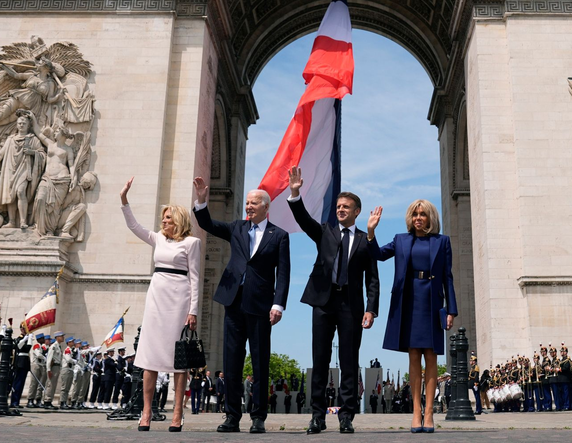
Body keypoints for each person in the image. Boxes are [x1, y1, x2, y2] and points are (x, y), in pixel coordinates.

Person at [193, 176, 291, 434]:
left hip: (261, 306)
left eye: (254, 203)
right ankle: (232, 417)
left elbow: (284, 273)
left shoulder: (279, 236)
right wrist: (202, 200)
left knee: (260, 363)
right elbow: (208, 224)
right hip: (233, 302)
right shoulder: (236, 228)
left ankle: (258, 417)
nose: (248, 206)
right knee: (232, 362)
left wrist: (278, 304)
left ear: (266, 207)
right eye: (247, 203)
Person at [286, 166, 380, 434]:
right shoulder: (325, 231)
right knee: (320, 359)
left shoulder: (365, 240)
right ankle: (317, 415)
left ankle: (346, 416)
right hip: (323, 304)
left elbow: (372, 278)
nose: (340, 210)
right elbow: (304, 220)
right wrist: (295, 194)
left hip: (351, 306)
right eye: (338, 206)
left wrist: (371, 309)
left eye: (346, 207)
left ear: (356, 211)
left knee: (349, 361)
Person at [367, 200, 458, 433]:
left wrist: (451, 310)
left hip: (432, 301)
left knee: (431, 355)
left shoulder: (442, 241)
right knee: (414, 355)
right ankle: (416, 412)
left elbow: (448, 277)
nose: (418, 218)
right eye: (415, 214)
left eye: (423, 214)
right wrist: (371, 231)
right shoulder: (400, 240)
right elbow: (377, 254)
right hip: (408, 301)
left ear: (430, 218)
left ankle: (429, 413)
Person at [120, 177, 201, 432]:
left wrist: (193, 310)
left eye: (168, 218)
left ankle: (177, 412)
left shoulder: (192, 243)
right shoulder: (157, 239)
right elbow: (134, 226)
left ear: (178, 220)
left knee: (178, 360)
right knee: (150, 357)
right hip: (156, 298)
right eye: (163, 218)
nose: (163, 221)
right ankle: (146, 411)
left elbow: (196, 278)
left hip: (179, 300)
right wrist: (124, 199)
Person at [10, 323, 31, 408]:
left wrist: (29, 340)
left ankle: (17, 401)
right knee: (17, 383)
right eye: (24, 328)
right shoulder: (19, 338)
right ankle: (14, 402)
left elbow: (28, 348)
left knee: (21, 384)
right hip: (19, 363)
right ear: (21, 329)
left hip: (25, 363)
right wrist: (25, 339)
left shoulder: (27, 338)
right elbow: (17, 347)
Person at [44, 331, 64, 408]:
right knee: (50, 384)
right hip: (53, 367)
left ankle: (50, 400)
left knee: (54, 384)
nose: (63, 337)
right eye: (61, 336)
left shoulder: (58, 346)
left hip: (57, 366)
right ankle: (47, 401)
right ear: (57, 337)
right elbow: (49, 359)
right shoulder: (53, 346)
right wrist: (48, 369)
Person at [26, 332, 47, 407]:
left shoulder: (43, 347)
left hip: (42, 365)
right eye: (43, 338)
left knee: (40, 384)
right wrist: (44, 357)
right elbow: (38, 354)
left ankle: (38, 399)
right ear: (39, 339)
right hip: (36, 365)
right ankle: (30, 400)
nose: (44, 339)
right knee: (34, 383)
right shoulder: (36, 346)